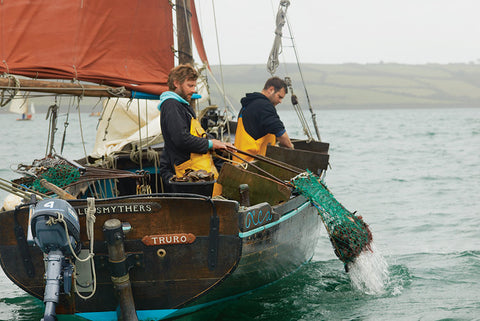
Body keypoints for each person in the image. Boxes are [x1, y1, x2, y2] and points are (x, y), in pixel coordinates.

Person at [158, 64, 234, 195]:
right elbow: (181, 139)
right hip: (190, 176)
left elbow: (198, 135)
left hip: (201, 175)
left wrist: (219, 144)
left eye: (194, 85)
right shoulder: (171, 105)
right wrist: (211, 144)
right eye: (190, 85)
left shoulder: (182, 106)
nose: (194, 90)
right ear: (176, 83)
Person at [234, 76, 293, 162]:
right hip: (251, 164)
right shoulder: (264, 106)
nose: (280, 101)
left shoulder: (249, 104)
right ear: (271, 89)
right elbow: (281, 134)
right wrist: (291, 147)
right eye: (279, 97)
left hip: (239, 161)